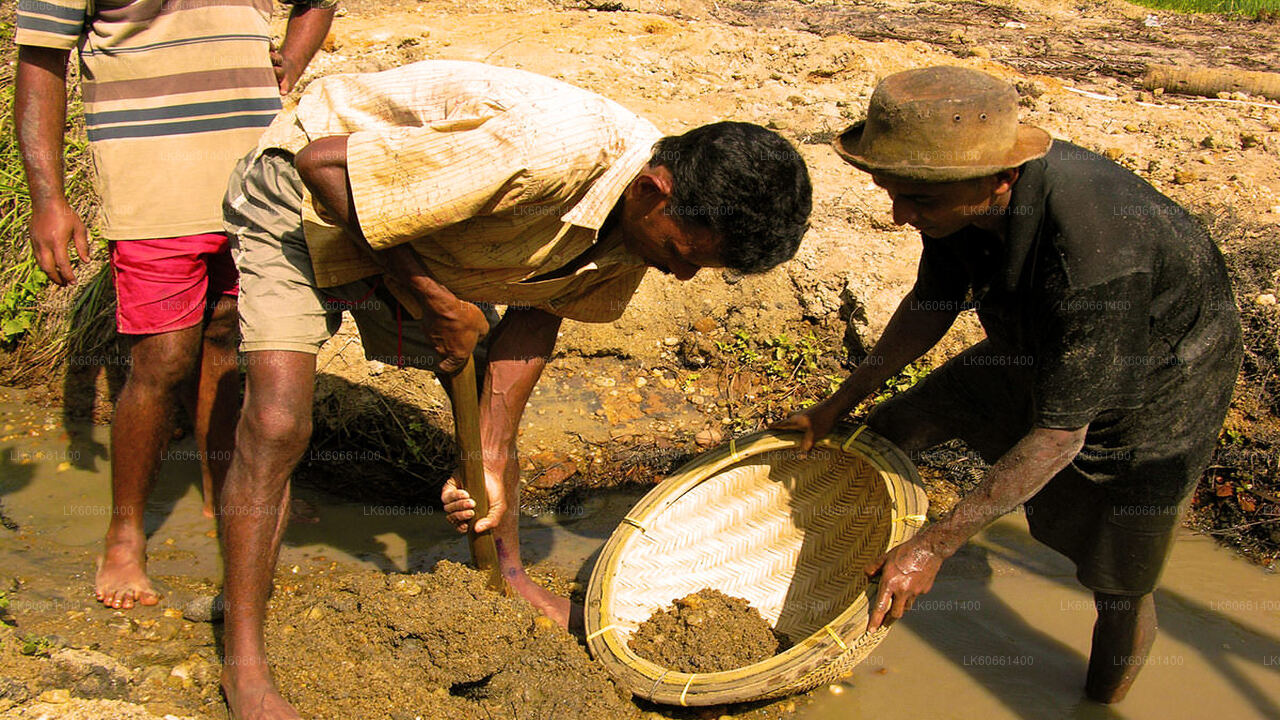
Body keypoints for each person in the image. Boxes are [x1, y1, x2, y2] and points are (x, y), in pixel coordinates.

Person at [217, 59, 812, 719]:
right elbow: (321, 165)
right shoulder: (549, 152)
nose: (677, 276)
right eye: (679, 253)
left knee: (488, 414)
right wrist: (433, 301)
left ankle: (510, 577)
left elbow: (542, 309)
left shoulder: (643, 221)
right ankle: (243, 657)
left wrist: (492, 453)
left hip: (425, 232)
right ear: (653, 190)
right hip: (309, 196)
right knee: (276, 421)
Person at [776, 65, 1240, 704]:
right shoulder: (951, 201)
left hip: (1156, 389)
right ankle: (833, 572)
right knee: (893, 428)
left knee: (1121, 579)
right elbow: (933, 304)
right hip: (1033, 349)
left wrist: (936, 544)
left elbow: (1058, 436)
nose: (898, 215)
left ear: (1002, 179)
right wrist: (835, 406)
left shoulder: (1097, 254)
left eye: (918, 201)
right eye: (892, 191)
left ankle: (1101, 702)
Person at [15, 0, 334, 610]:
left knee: (228, 341)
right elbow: (40, 62)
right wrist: (48, 198)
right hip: (150, 179)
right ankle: (125, 534)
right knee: (162, 358)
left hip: (255, 175)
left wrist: (288, 62)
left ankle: (226, 495)